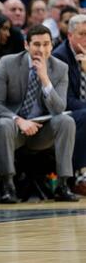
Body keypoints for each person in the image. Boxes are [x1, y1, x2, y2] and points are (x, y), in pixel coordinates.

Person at [0, 24, 78, 204]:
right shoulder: (8, 63)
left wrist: (44, 79)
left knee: (66, 121)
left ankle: (63, 184)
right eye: (36, 44)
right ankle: (8, 185)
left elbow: (58, 109)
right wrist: (19, 121)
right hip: (12, 128)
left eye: (46, 44)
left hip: (39, 131)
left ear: (52, 45)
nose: (41, 50)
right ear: (26, 45)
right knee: (4, 124)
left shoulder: (60, 68)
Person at [53, 14, 86, 195]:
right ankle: (80, 177)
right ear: (70, 36)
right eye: (82, 34)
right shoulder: (60, 57)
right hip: (60, 111)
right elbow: (66, 100)